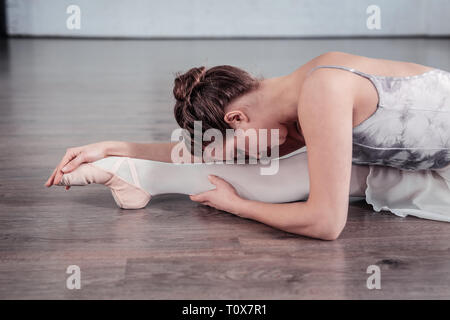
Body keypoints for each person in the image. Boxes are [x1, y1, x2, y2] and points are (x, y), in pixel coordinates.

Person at [46, 51, 450, 240]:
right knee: (316, 169)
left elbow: (326, 224)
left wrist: (237, 205)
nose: (253, 159)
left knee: (310, 174)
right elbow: (203, 149)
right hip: (426, 163)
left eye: (241, 150)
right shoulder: (297, 90)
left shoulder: (323, 91)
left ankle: (139, 178)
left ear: (236, 120)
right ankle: (135, 175)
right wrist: (114, 146)